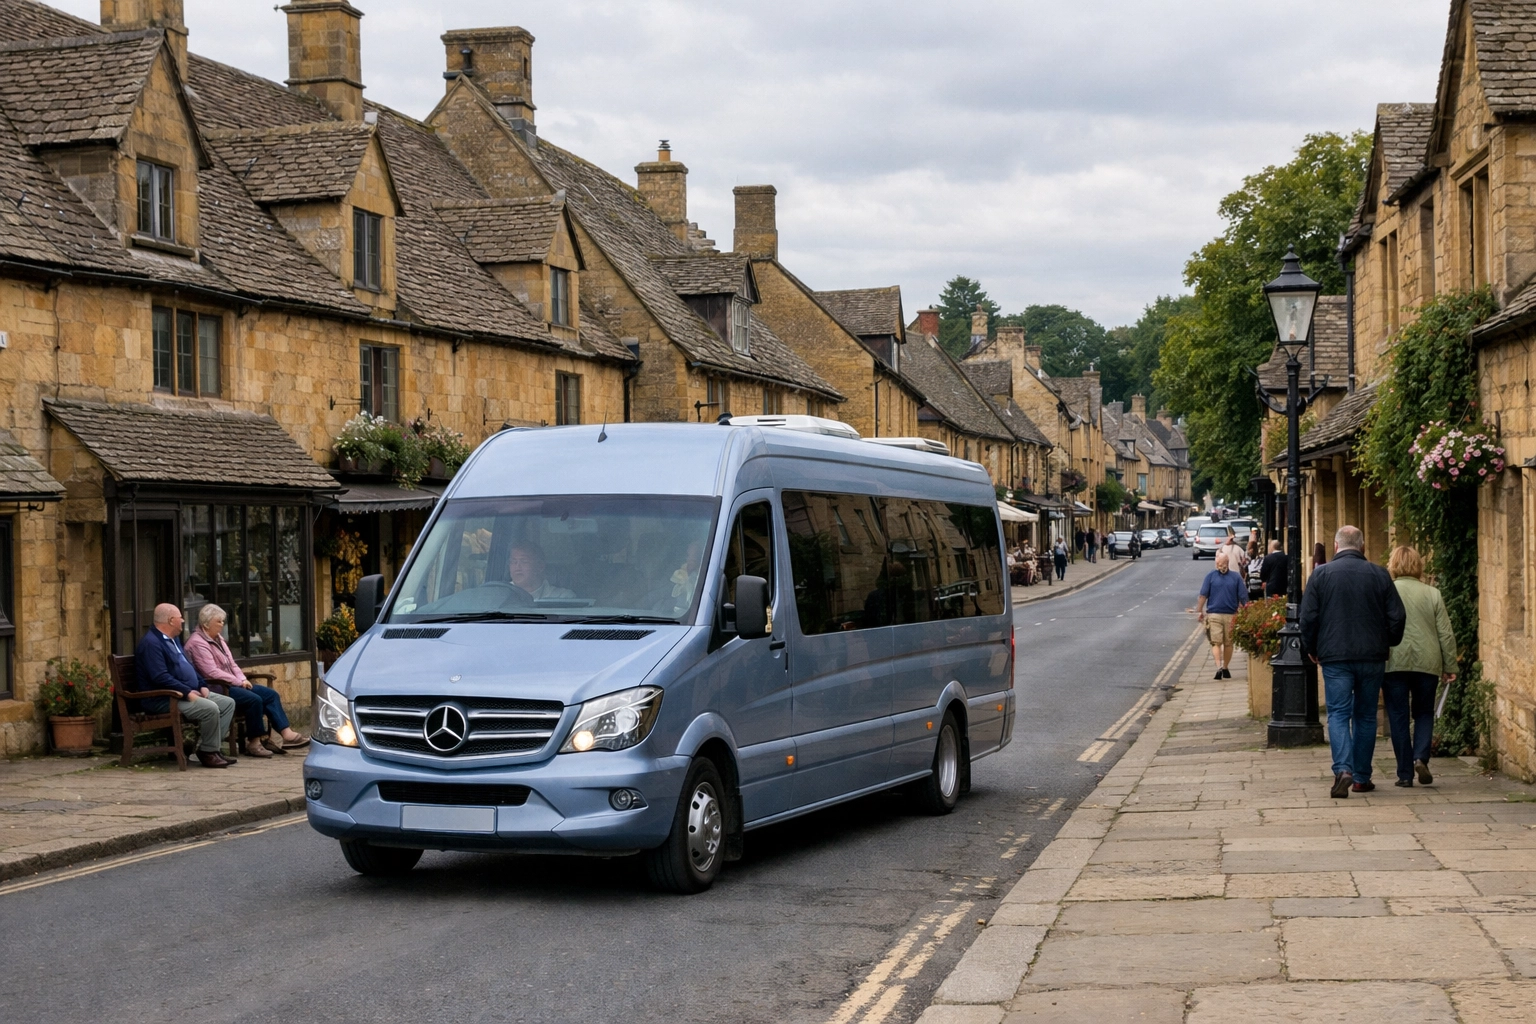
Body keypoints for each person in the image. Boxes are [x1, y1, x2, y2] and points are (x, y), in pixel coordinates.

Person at [1300, 525, 1407, 799]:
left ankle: (1343, 770)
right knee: (1366, 715)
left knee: (1338, 713)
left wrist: (1311, 648)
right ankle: (1361, 778)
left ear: (1336, 547)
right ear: (1362, 548)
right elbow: (1397, 616)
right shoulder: (1380, 574)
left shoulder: (1321, 574)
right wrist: (1388, 642)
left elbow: (1308, 617)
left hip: (1335, 656)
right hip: (1372, 656)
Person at [185, 604, 309, 758]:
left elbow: (232, 664)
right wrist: (237, 682)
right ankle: (254, 742)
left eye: (223, 621)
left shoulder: (219, 640)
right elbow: (211, 671)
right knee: (253, 700)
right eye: (219, 622)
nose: (222, 624)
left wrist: (242, 678)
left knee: (270, 694)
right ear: (206, 624)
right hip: (217, 687)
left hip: (232, 682)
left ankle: (287, 734)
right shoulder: (197, 643)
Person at [1383, 545, 1458, 788]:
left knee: (1398, 715)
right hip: (1428, 661)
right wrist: (1450, 665)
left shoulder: (1387, 591)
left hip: (1394, 661)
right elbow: (1445, 633)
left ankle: (1405, 773)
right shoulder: (1432, 593)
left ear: (1393, 565)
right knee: (1424, 712)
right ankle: (1420, 757)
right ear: (1418, 565)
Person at [134, 603, 238, 768]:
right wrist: (186, 692)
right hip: (164, 698)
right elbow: (160, 677)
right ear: (170, 620)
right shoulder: (151, 644)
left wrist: (202, 684)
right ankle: (209, 753)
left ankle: (209, 749)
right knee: (210, 708)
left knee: (227, 703)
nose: (183, 621)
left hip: (184, 693)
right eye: (180, 618)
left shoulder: (173, 640)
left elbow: (187, 666)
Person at [1196, 551, 1248, 679]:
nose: (1219, 565)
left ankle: (1218, 666)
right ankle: (1225, 668)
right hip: (1231, 615)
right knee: (1228, 643)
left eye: (1219, 563)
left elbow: (1203, 595)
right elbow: (1243, 597)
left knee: (1216, 643)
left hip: (1214, 615)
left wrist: (1199, 611)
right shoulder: (1236, 577)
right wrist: (1247, 611)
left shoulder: (1211, 576)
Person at [508, 543, 576, 600]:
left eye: (524, 562)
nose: (517, 567)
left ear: (540, 567)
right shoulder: (500, 595)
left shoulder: (562, 597)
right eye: (513, 562)